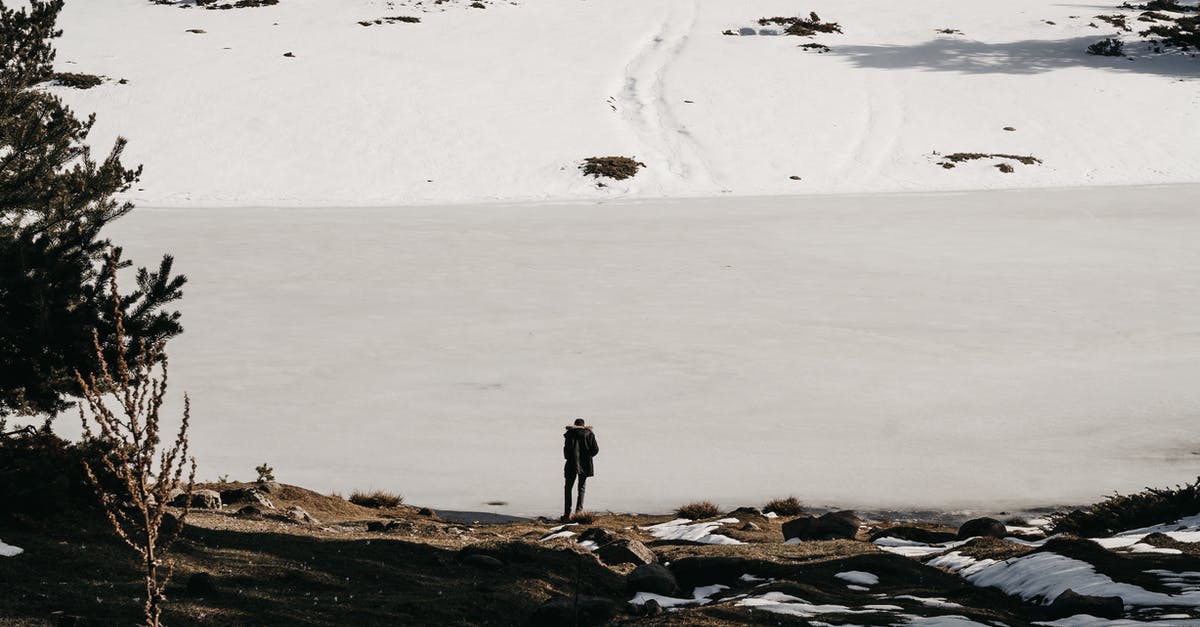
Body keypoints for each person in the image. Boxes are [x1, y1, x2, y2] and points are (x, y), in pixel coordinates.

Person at [562, 418, 599, 521]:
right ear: (583, 425)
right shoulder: (589, 434)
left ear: (574, 424)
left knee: (568, 488)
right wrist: (588, 456)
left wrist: (569, 457)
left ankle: (567, 514)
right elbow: (595, 449)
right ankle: (578, 513)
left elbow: (566, 450)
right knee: (581, 488)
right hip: (585, 464)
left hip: (571, 463)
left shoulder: (569, 434)